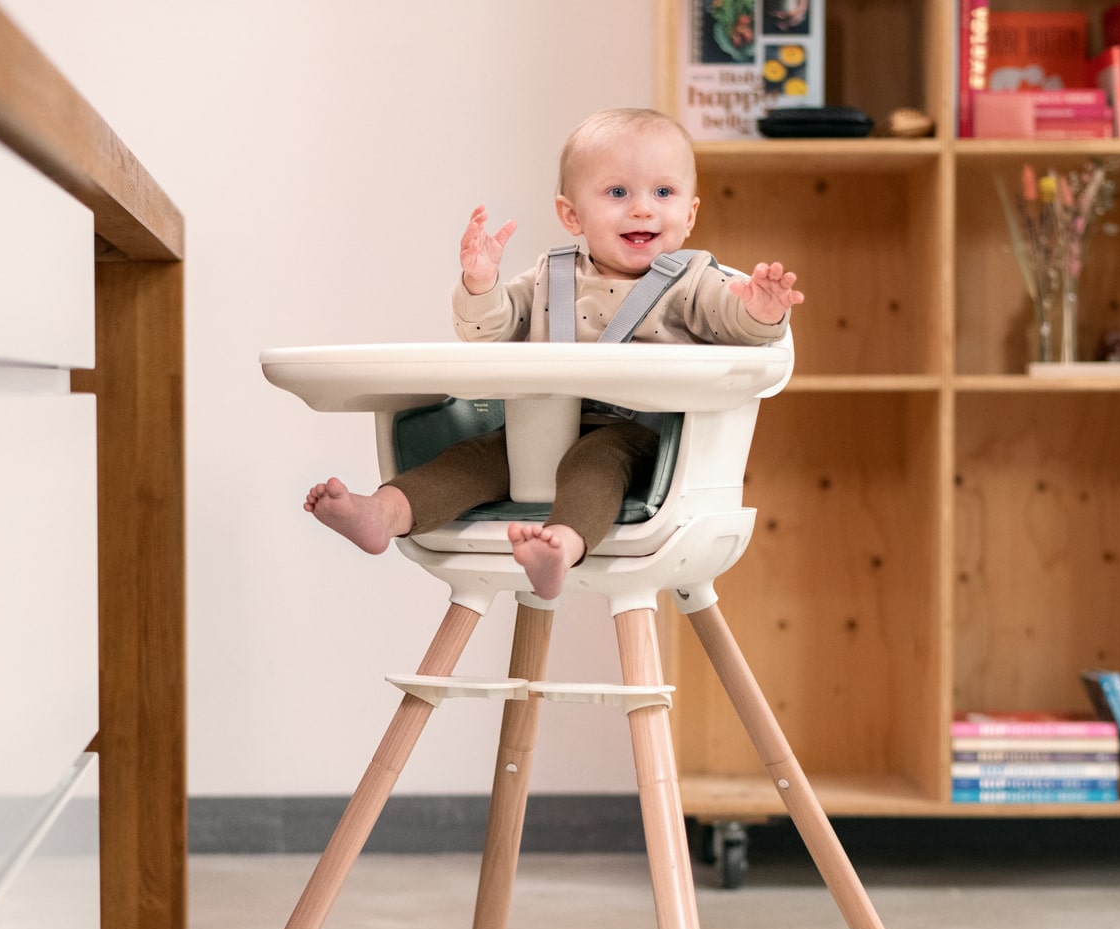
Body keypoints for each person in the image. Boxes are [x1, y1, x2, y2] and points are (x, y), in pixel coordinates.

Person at [305, 107, 803, 599]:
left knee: (594, 464)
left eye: (663, 193)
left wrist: (760, 311)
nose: (642, 209)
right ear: (571, 215)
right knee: (473, 458)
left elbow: (733, 323)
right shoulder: (551, 275)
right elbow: (489, 330)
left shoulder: (695, 282)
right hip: (538, 432)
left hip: (639, 440)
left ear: (689, 214)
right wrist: (481, 283)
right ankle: (383, 513)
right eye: (617, 193)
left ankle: (559, 548)